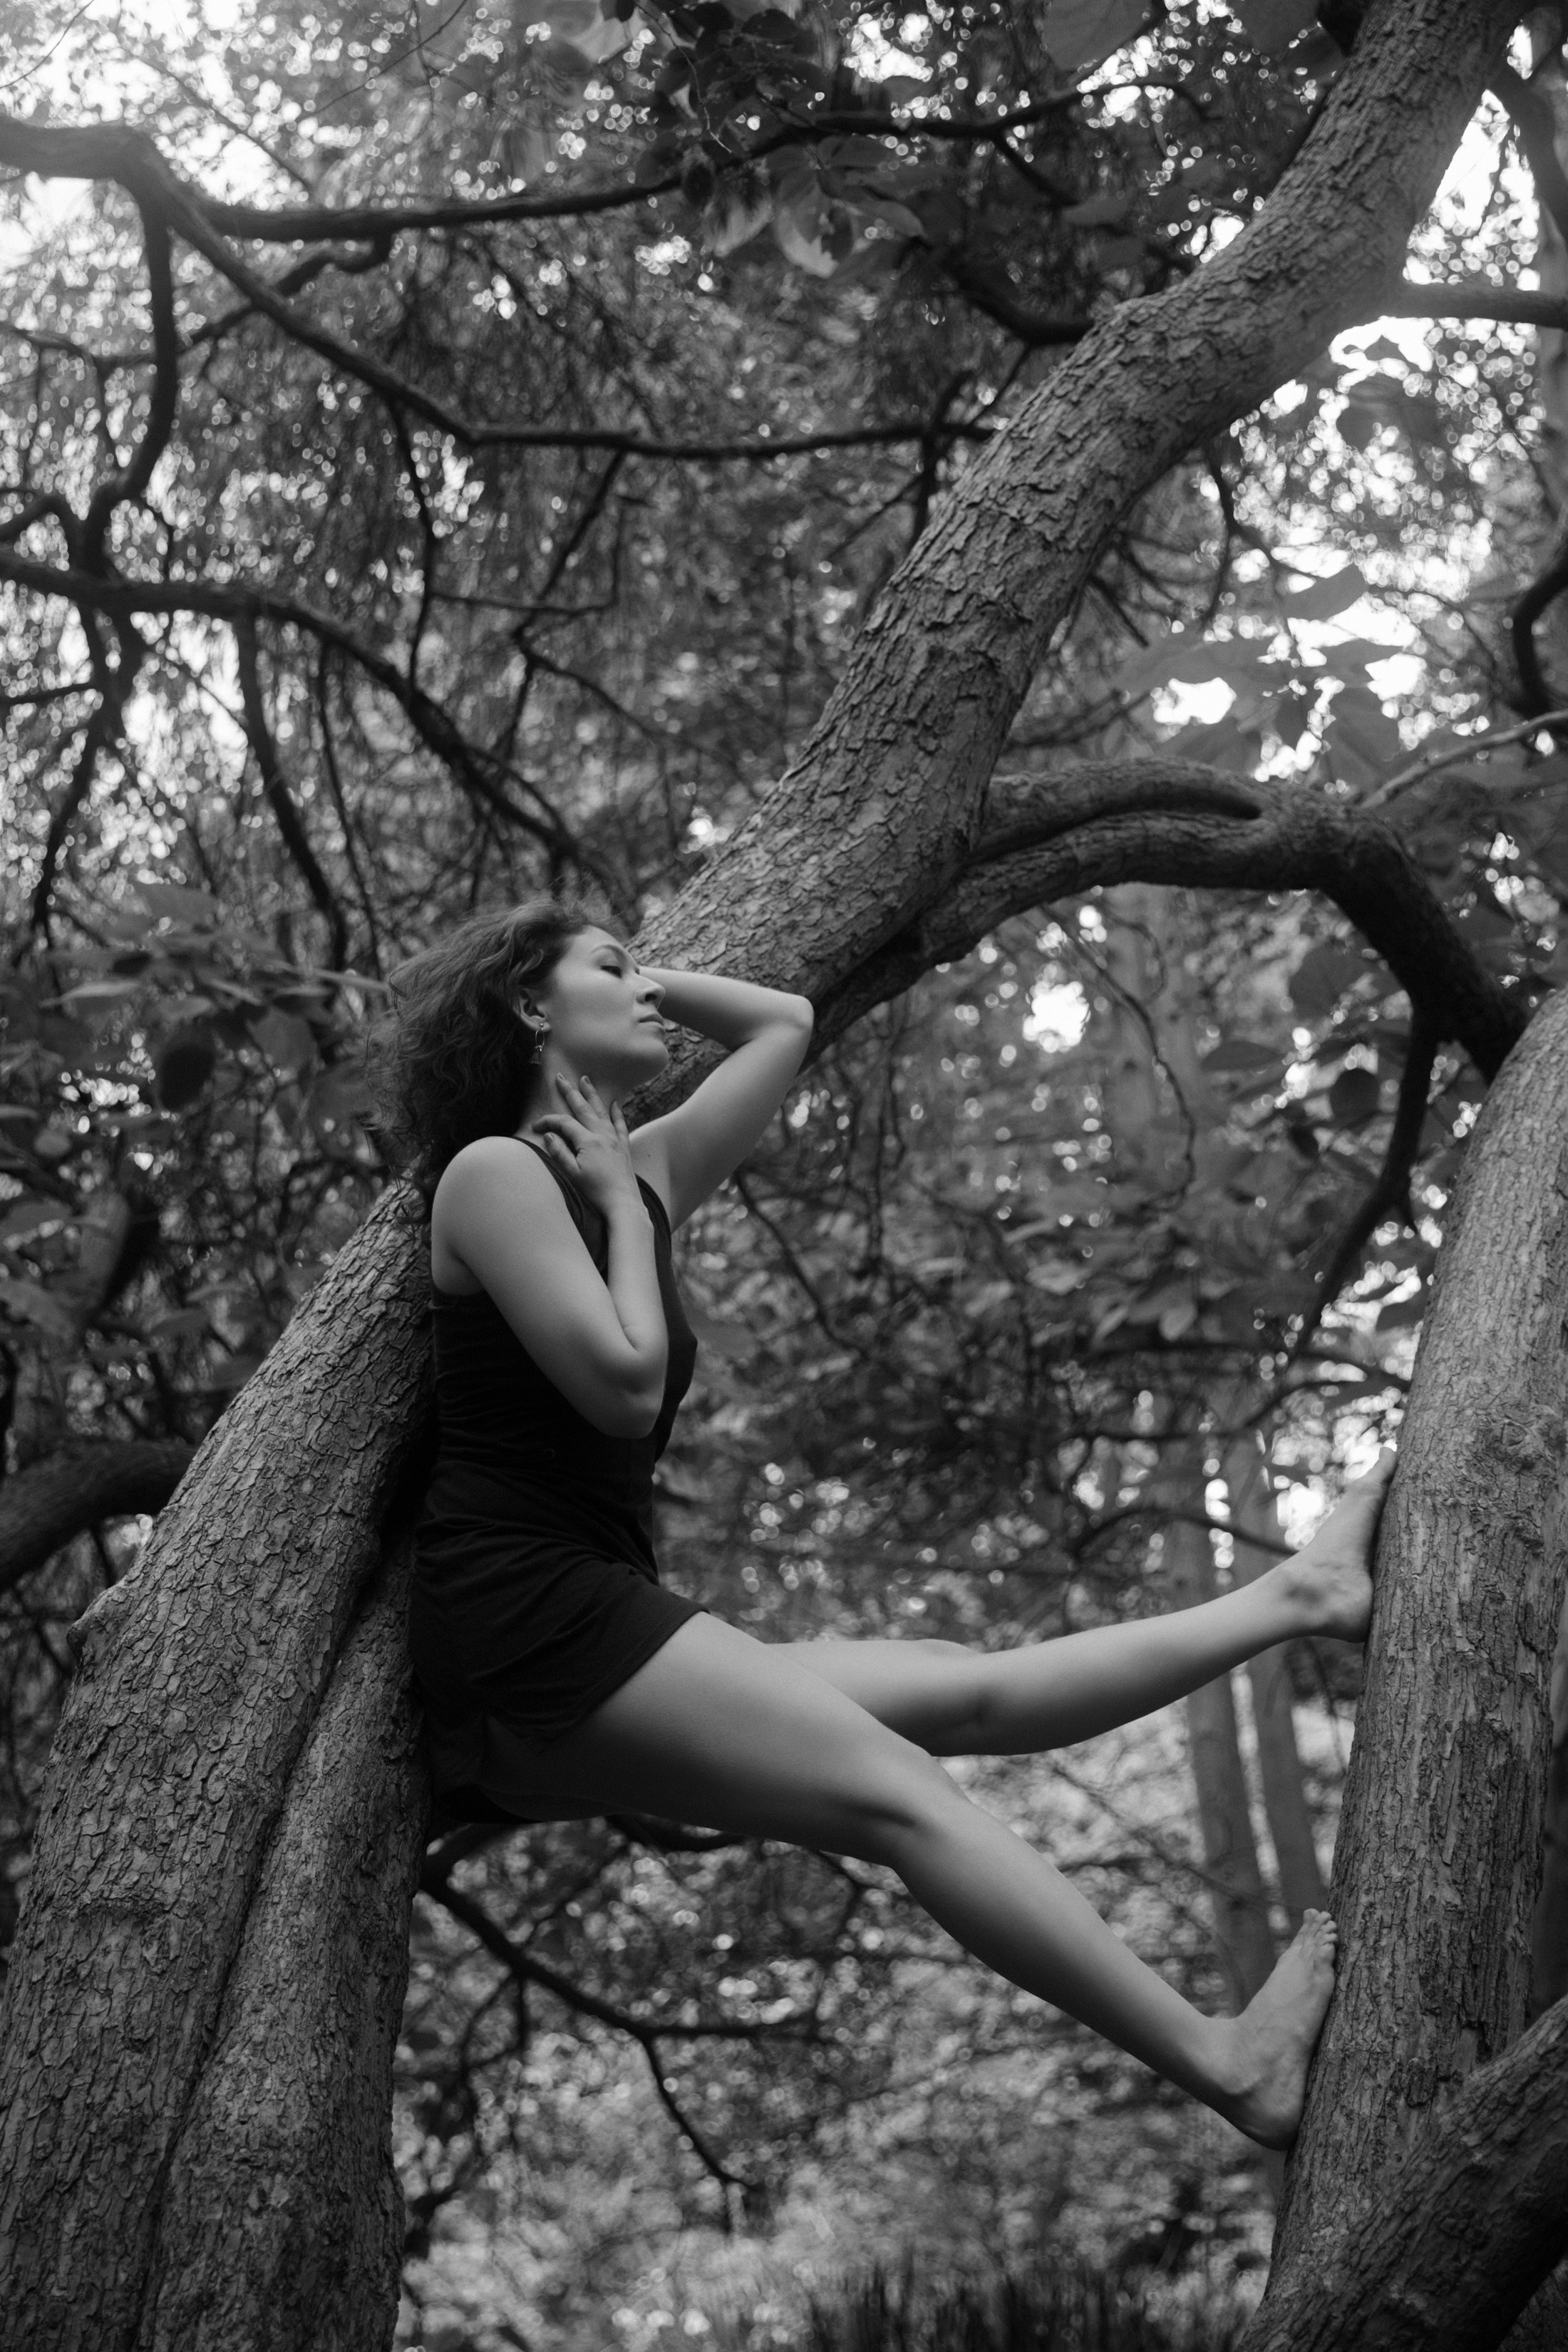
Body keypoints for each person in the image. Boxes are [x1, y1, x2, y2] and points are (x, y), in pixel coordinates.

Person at [384, 896, 1392, 2152]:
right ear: (533, 1006)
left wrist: (633, 995)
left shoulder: (635, 1171)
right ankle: (1227, 2062)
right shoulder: (499, 1176)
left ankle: (1302, 1601)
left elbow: (782, 1024)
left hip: (583, 1607)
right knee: (898, 1795)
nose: (650, 991)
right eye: (612, 971)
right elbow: (624, 1381)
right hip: (519, 1615)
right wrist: (623, 1201)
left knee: (961, 1690)